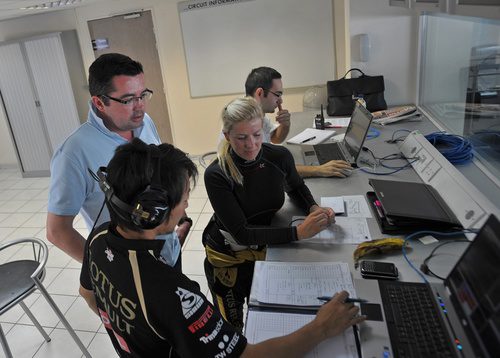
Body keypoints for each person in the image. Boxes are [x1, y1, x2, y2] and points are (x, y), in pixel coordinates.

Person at [79, 138, 365, 357]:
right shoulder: (174, 296)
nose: (188, 204)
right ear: (153, 211)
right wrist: (321, 328)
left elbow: (88, 294)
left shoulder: (98, 238)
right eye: (185, 198)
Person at [203, 97, 339, 330]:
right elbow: (242, 232)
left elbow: (295, 186)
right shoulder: (217, 174)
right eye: (241, 138)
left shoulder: (278, 157)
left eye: (256, 135)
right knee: (231, 329)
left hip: (266, 246)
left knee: (269, 318)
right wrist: (298, 233)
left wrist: (313, 208)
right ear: (227, 136)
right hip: (229, 256)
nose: (251, 145)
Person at [46, 53, 191, 263]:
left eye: (143, 95)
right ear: (99, 102)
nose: (140, 105)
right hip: (125, 262)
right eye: (128, 99)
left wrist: (177, 216)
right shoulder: (73, 153)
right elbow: (57, 231)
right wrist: (102, 269)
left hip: (166, 247)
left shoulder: (144, 122)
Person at [245, 66, 352, 178]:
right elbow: (270, 168)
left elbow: (275, 139)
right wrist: (318, 170)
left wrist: (285, 125)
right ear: (260, 93)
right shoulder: (245, 124)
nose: (280, 101)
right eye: (277, 94)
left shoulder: (257, 113)